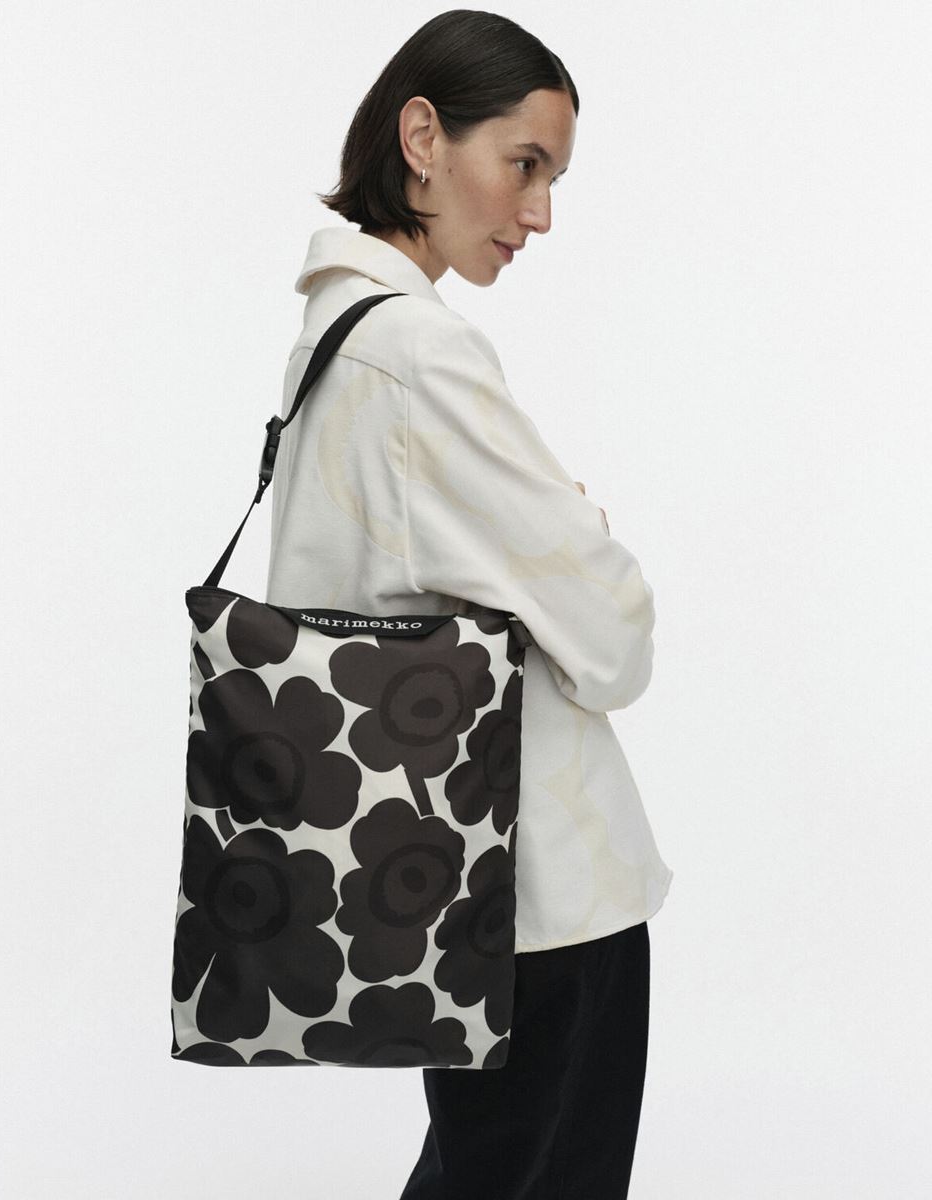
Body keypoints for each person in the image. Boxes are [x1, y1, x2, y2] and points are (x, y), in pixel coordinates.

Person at [266, 10, 673, 1197]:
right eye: (524, 164)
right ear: (423, 137)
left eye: (554, 179)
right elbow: (614, 639)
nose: (538, 213)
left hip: (451, 888)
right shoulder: (421, 356)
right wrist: (584, 539)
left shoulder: (331, 338)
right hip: (542, 893)